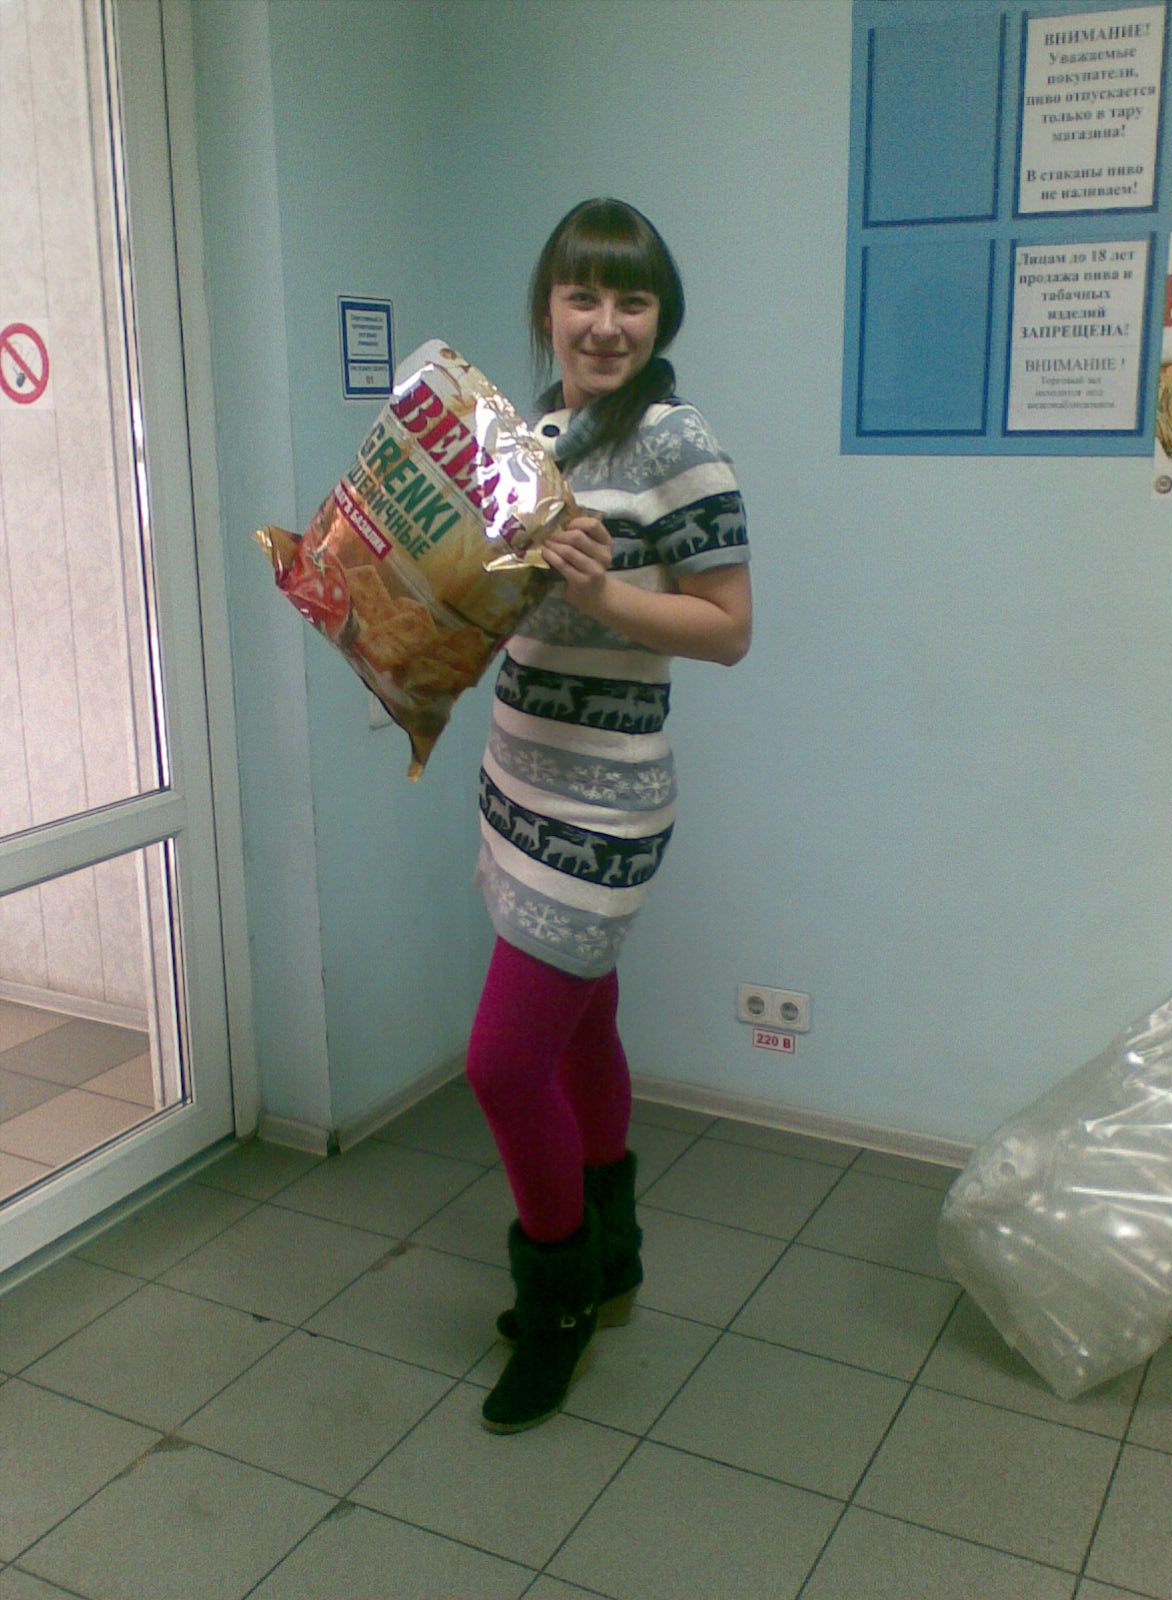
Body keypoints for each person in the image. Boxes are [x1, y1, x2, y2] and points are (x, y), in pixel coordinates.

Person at [465, 198, 752, 1433]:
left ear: (659, 318)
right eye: (583, 296)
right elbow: (494, 602)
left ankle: (561, 1299)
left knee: (501, 1063)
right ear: (549, 308)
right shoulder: (533, 437)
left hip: (605, 806)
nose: (605, 323)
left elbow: (729, 628)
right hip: (515, 781)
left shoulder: (679, 444)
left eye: (632, 300)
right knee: (586, 1029)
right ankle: (615, 1253)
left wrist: (609, 596)